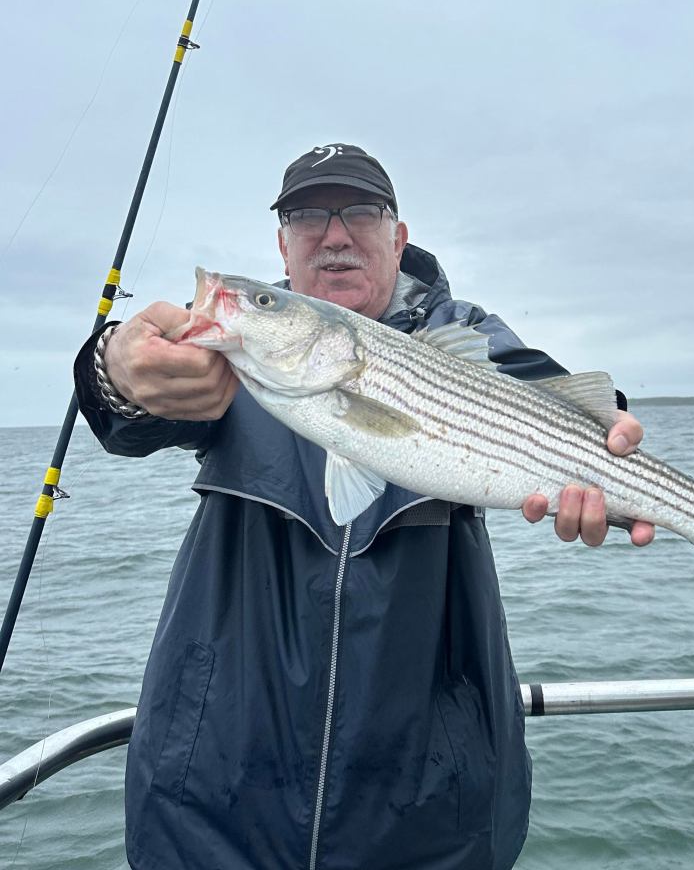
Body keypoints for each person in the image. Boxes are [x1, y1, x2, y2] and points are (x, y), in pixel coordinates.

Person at [74, 143, 654, 870]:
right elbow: (127, 417)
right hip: (217, 791)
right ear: (283, 247)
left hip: (427, 805)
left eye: (359, 212)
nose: (335, 233)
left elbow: (539, 384)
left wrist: (610, 435)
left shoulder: (461, 333)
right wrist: (113, 365)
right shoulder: (231, 359)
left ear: (397, 237)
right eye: (307, 216)